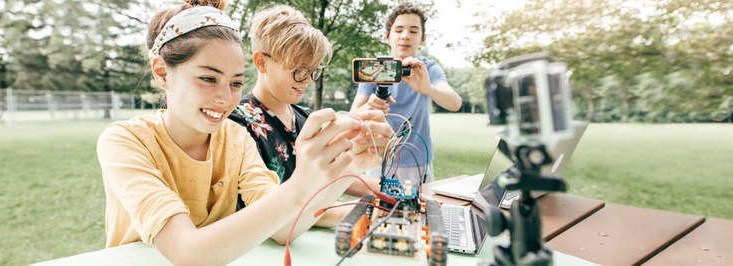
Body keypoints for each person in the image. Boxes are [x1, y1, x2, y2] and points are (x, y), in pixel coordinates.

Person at [96, 1, 388, 264]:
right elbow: (188, 252)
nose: (225, 98)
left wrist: (344, 162)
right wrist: (301, 185)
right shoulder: (125, 140)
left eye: (235, 83)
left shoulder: (236, 138)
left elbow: (284, 226)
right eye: (208, 78)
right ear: (161, 73)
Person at [228, 4, 390, 224]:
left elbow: (338, 176)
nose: (307, 80)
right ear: (261, 62)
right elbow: (272, 213)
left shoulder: (304, 117)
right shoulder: (237, 123)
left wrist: (392, 196)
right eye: (298, 70)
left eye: (313, 69)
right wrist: (371, 213)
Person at [350, 3, 462, 185]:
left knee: (421, 210)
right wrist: (371, 105)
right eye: (399, 30)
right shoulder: (374, 69)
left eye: (413, 31)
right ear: (387, 36)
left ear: (423, 38)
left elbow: (455, 103)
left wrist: (428, 89)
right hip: (379, 157)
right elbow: (353, 113)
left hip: (418, 160)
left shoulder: (428, 68)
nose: (405, 36)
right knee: (376, 210)